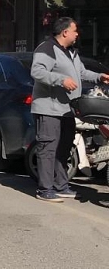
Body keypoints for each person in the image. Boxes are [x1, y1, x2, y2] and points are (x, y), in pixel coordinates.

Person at [31, 17, 109, 203]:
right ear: (65, 32)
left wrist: (100, 77)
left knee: (64, 148)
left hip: (67, 109)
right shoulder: (47, 49)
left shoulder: (71, 52)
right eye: (75, 31)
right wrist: (61, 80)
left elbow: (81, 73)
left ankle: (61, 186)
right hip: (48, 108)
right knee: (48, 148)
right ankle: (45, 189)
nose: (77, 34)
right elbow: (37, 72)